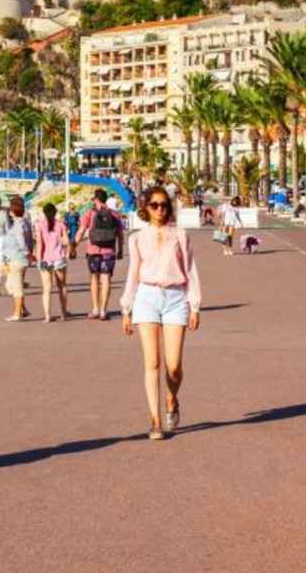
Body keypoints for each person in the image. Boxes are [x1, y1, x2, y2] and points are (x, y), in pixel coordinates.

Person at [120, 186, 201, 440]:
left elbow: (191, 271)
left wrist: (194, 305)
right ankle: (155, 421)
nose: (159, 209)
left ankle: (172, 397)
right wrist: (126, 307)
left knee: (173, 366)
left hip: (176, 297)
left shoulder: (180, 235)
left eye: (164, 204)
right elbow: (133, 273)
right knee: (151, 362)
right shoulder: (136, 238)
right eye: (154, 205)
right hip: (147, 297)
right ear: (145, 208)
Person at [77, 189, 125, 320]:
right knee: (106, 279)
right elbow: (120, 234)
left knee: (94, 278)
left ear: (96, 199)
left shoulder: (90, 213)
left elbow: (81, 230)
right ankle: (104, 310)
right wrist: (120, 249)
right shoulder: (114, 214)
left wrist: (73, 246)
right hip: (109, 251)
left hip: (93, 251)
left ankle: (95, 309)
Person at [1, 195, 36, 322]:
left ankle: (17, 313)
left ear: (13, 210)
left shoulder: (18, 226)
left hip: (17, 258)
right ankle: (22, 309)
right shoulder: (24, 223)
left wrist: (28, 253)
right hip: (18, 258)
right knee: (11, 285)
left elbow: (22, 243)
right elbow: (30, 239)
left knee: (16, 287)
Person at [34, 202, 71, 322]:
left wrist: (38, 259)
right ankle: (63, 313)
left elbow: (39, 243)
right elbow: (66, 241)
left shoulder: (39, 225)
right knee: (62, 286)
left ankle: (47, 316)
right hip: (59, 258)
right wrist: (59, 240)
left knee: (46, 289)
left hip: (45, 258)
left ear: (44, 213)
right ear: (55, 213)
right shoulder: (60, 224)